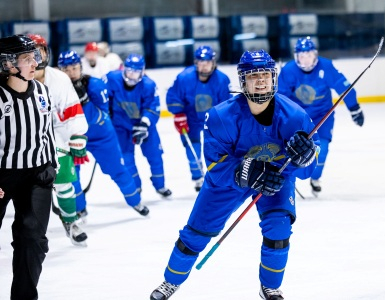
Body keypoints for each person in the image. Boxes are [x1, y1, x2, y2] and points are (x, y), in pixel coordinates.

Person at [150, 49, 320, 300]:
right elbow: (215, 167)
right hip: (228, 183)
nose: (261, 80)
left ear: (274, 78)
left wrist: (307, 158)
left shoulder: (295, 116)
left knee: (279, 229)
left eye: (265, 74)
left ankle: (270, 287)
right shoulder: (221, 116)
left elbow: (305, 172)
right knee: (195, 235)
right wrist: (245, 171)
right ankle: (170, 282)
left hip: (275, 179)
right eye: (254, 76)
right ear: (242, 81)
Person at [0, 34, 57, 300]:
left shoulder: (43, 92)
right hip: (2, 177)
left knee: (33, 240)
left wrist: (51, 165)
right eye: (26, 58)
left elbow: (47, 133)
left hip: (36, 175)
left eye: (35, 57)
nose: (35, 63)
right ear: (9, 64)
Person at [57, 50, 149, 217]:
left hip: (101, 137)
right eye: (66, 70)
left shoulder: (96, 85)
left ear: (80, 66)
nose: (70, 73)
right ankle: (79, 208)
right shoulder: (56, 89)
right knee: (71, 176)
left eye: (74, 68)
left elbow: (102, 116)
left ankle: (135, 201)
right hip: (70, 139)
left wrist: (85, 102)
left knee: (117, 170)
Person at [278, 36, 364, 195]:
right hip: (298, 118)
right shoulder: (288, 71)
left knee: (322, 148)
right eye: (302, 56)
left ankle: (315, 177)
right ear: (296, 56)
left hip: (322, 117)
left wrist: (354, 107)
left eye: (309, 55)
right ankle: (288, 177)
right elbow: (281, 98)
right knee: (289, 148)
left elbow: (343, 85)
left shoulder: (326, 66)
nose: (306, 60)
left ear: (315, 55)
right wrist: (280, 120)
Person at [29, 33, 89, 246]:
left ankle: (71, 220)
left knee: (64, 180)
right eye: (30, 53)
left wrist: (77, 134)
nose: (35, 58)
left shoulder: (60, 79)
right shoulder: (12, 80)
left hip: (56, 135)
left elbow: (73, 112)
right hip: (22, 139)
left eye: (39, 52)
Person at [105, 53, 172, 198]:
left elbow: (153, 107)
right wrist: (106, 111)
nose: (131, 74)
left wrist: (144, 123)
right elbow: (103, 96)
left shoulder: (149, 85)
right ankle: (136, 187)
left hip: (144, 127)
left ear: (142, 71)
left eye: (135, 72)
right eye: (129, 70)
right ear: (124, 69)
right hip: (121, 126)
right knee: (126, 158)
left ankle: (160, 186)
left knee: (155, 156)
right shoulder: (112, 78)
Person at [166, 45, 231, 192]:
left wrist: (225, 121)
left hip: (213, 120)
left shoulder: (222, 80)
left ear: (213, 63)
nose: (204, 66)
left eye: (207, 63)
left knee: (216, 148)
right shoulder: (184, 77)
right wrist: (178, 114)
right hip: (191, 118)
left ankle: (218, 175)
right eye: (201, 63)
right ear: (196, 63)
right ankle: (198, 177)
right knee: (192, 148)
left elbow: (227, 103)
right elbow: (174, 96)